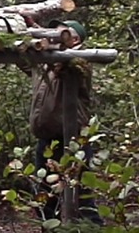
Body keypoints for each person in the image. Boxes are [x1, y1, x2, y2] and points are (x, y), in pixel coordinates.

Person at [20, 19, 103, 226]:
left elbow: (63, 65)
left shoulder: (77, 63)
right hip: (46, 140)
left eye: (58, 33)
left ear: (74, 39)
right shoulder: (47, 66)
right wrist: (26, 28)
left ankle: (92, 229)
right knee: (46, 196)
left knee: (81, 197)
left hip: (72, 140)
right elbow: (25, 61)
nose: (51, 36)